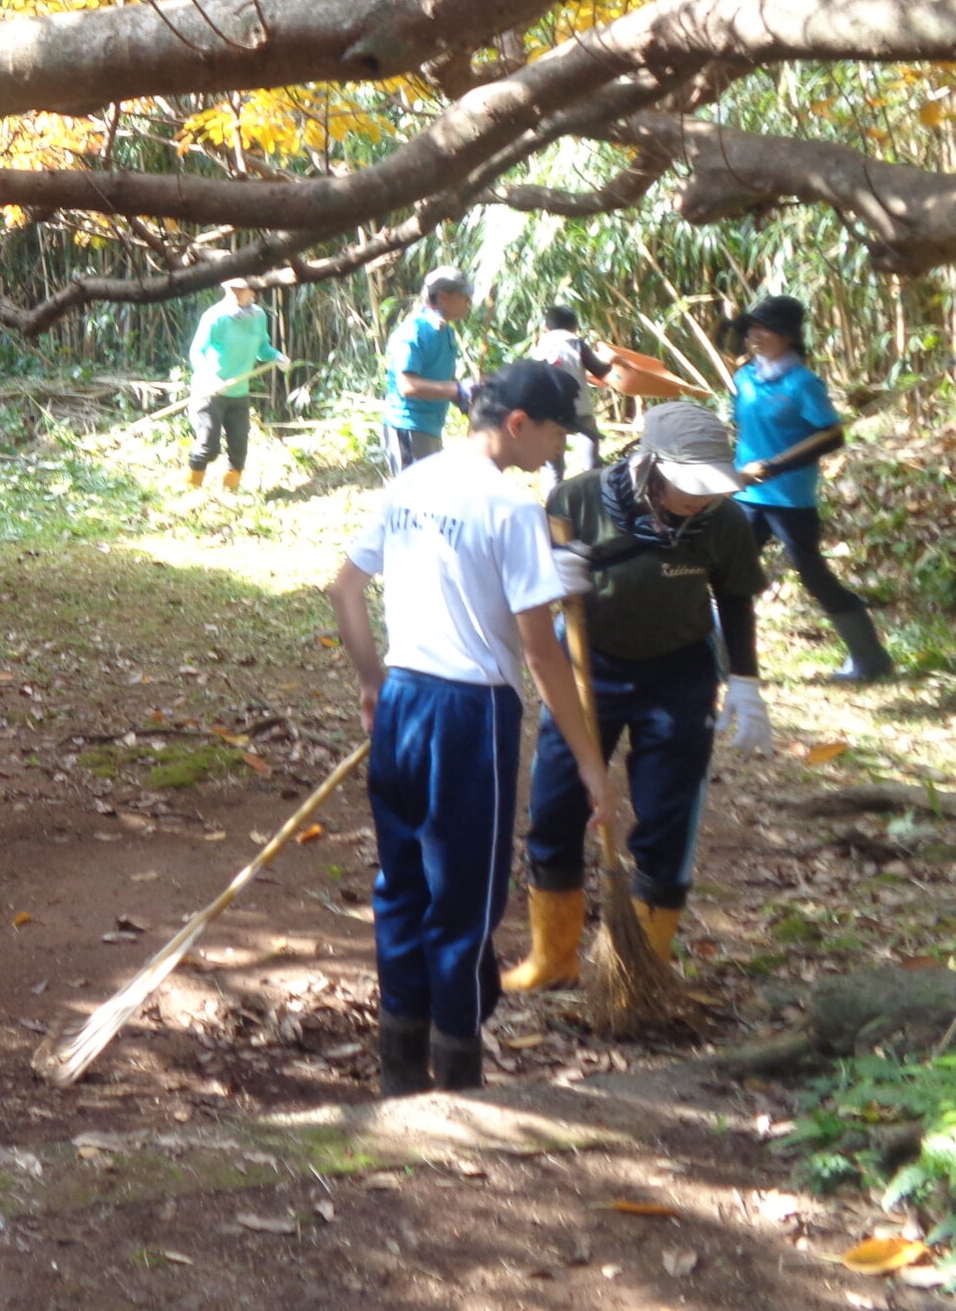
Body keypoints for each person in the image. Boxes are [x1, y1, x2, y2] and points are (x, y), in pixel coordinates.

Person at [326, 362, 615, 1095]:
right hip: (472, 717)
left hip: (405, 702)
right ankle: (456, 1077)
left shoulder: (413, 481)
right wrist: (589, 761)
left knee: (401, 887)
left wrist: (371, 680)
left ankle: (400, 1068)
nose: (557, 450)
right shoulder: (510, 509)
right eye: (555, 434)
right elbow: (543, 653)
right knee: (464, 900)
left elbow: (345, 587)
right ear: (519, 424)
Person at [507, 402, 769, 993]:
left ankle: (641, 966)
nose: (698, 500)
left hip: (678, 671)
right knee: (555, 805)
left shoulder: (723, 521)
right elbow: (526, 590)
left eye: (709, 487)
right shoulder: (575, 501)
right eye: (688, 486)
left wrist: (746, 681)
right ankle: (554, 956)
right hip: (587, 668)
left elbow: (735, 598)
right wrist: (554, 579)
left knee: (668, 814)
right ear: (649, 464)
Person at [730, 294, 895, 681]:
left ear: (787, 336)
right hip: (746, 497)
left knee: (813, 575)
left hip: (790, 499)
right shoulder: (744, 377)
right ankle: (730, 662)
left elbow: (831, 436)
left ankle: (870, 658)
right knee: (729, 574)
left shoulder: (803, 383)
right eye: (752, 328)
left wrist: (774, 466)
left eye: (764, 328)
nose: (755, 335)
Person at [185, 276, 283, 490]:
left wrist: (276, 356)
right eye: (231, 289)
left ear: (253, 293)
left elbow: (262, 349)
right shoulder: (215, 316)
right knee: (208, 447)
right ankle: (191, 489)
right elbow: (196, 351)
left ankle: (229, 493)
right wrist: (210, 378)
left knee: (239, 450)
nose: (235, 293)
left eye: (241, 289)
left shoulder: (258, 317)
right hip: (211, 393)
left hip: (239, 394)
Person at [380, 265, 473, 476]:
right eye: (464, 296)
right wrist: (457, 389)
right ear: (443, 296)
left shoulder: (446, 332)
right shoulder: (414, 330)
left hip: (430, 428)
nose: (468, 302)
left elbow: (445, 376)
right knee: (413, 498)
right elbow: (407, 385)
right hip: (407, 426)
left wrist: (466, 402)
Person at [530, 303, 619, 475]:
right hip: (579, 409)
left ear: (546, 327)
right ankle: (591, 476)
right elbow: (599, 370)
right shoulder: (576, 343)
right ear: (574, 327)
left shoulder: (540, 347)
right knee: (590, 445)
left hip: (551, 413)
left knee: (553, 466)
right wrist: (612, 360)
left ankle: (553, 498)